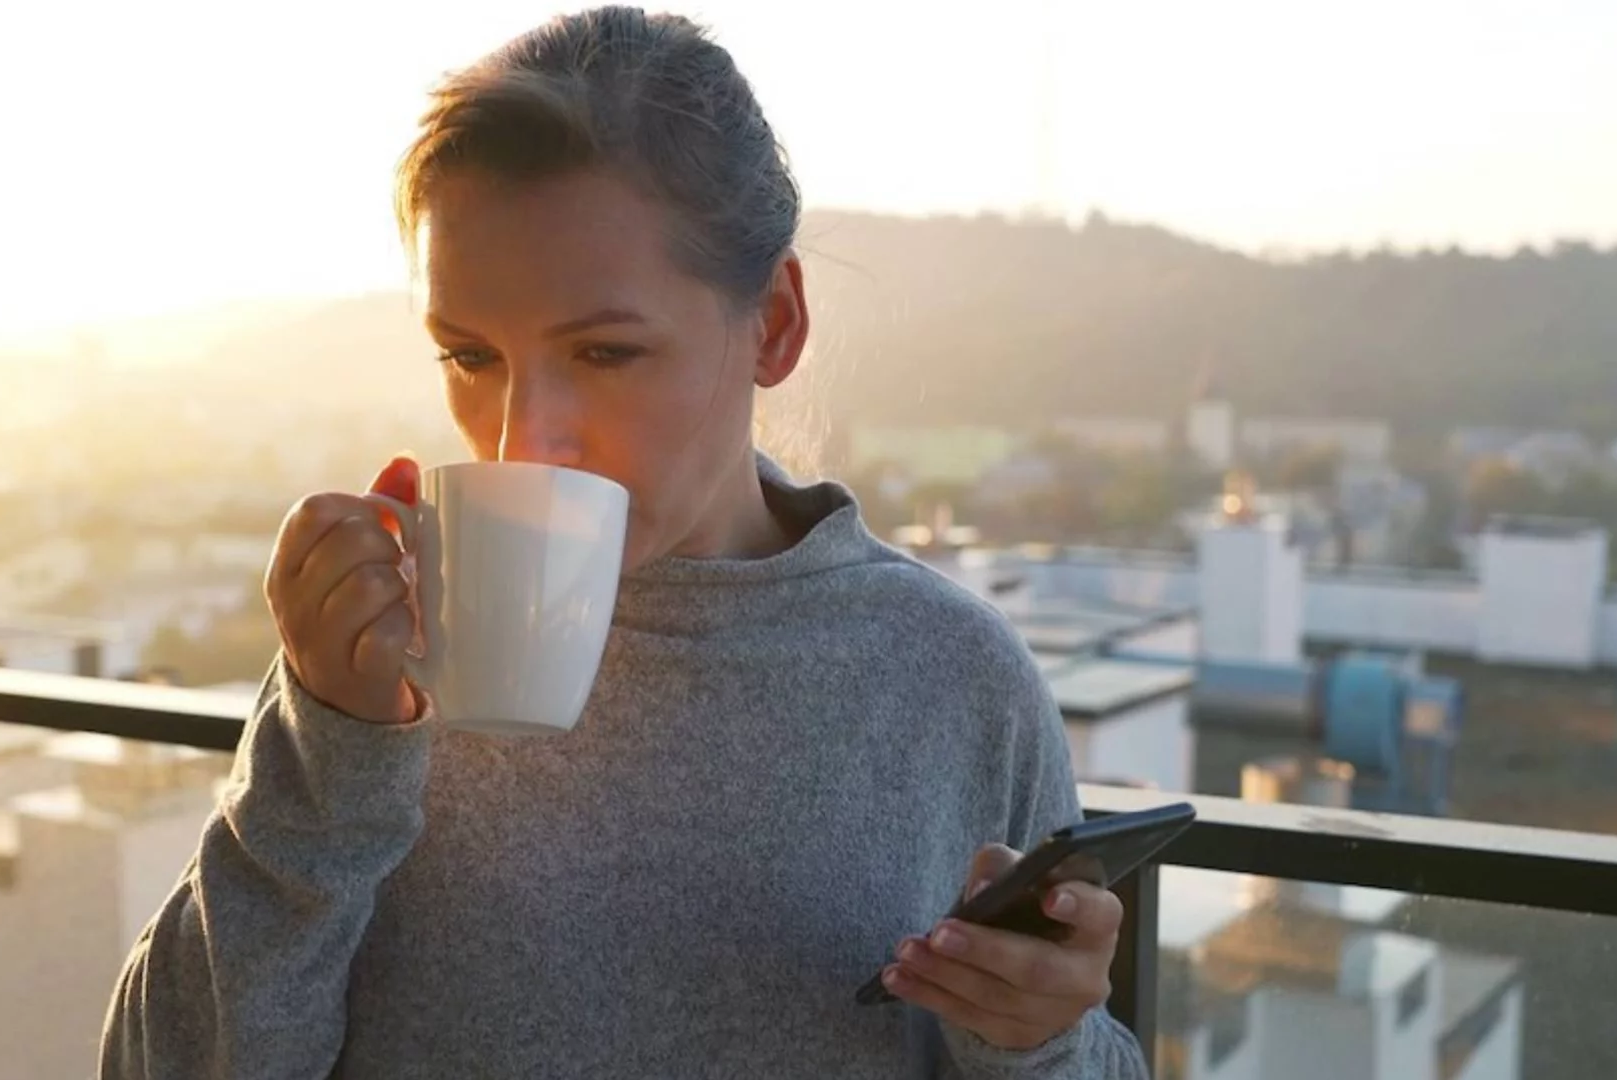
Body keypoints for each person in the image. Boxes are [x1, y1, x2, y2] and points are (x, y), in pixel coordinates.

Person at [99, 7, 1148, 1078]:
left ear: (774, 325)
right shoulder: (387, 657)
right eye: (469, 356)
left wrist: (1037, 1042)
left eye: (602, 351)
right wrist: (326, 751)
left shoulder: (951, 676)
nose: (522, 439)